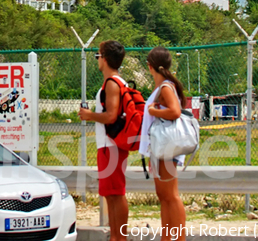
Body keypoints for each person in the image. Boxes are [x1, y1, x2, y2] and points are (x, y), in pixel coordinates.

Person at [78, 40, 128, 241]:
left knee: (116, 193)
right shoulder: (118, 82)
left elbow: (111, 116)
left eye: (98, 55)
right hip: (110, 145)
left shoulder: (112, 83)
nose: (97, 59)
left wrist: (89, 115)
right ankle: (116, 235)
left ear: (105, 58)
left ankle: (119, 236)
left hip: (110, 145)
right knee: (111, 194)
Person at [140, 46, 187, 241]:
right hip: (160, 149)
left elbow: (175, 112)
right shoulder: (163, 87)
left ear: (150, 67)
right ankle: (167, 237)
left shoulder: (166, 87)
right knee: (164, 196)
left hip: (167, 149)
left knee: (171, 196)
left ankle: (178, 238)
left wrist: (153, 111)